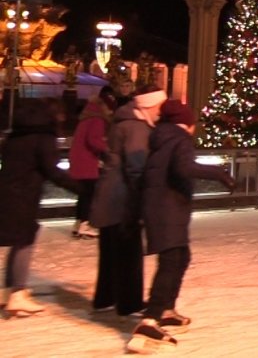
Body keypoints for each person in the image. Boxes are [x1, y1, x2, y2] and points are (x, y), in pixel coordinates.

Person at [126, 100, 234, 352]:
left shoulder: (162, 137)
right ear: (187, 123)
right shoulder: (180, 139)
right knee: (172, 261)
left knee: (180, 256)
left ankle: (165, 310)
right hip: (168, 208)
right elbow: (184, 167)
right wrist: (219, 173)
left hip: (159, 207)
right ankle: (150, 320)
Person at [91, 87, 167, 317]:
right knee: (129, 253)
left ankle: (105, 298)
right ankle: (129, 303)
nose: (161, 113)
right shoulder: (137, 127)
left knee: (110, 252)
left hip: (108, 196)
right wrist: (143, 200)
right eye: (160, 107)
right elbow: (137, 167)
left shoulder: (123, 120)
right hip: (122, 200)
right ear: (149, 106)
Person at [0, 99, 80, 317]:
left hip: (7, 192)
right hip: (24, 196)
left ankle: (10, 291)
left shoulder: (14, 136)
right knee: (24, 241)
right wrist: (80, 188)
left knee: (19, 241)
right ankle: (17, 293)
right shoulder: (43, 137)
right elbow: (52, 170)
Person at [68, 88, 114, 239]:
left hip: (79, 158)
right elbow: (93, 140)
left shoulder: (87, 116)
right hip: (87, 160)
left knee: (83, 194)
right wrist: (106, 148)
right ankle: (85, 225)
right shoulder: (97, 119)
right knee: (89, 193)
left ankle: (78, 223)